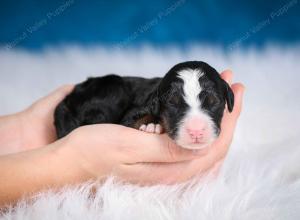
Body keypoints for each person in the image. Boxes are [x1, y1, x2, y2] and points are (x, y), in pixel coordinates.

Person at [0, 70, 244, 207]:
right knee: (112, 93)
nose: (196, 128)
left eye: (211, 104)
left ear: (226, 102)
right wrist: (70, 163)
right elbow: (133, 118)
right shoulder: (147, 101)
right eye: (176, 106)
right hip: (96, 94)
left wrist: (25, 131)